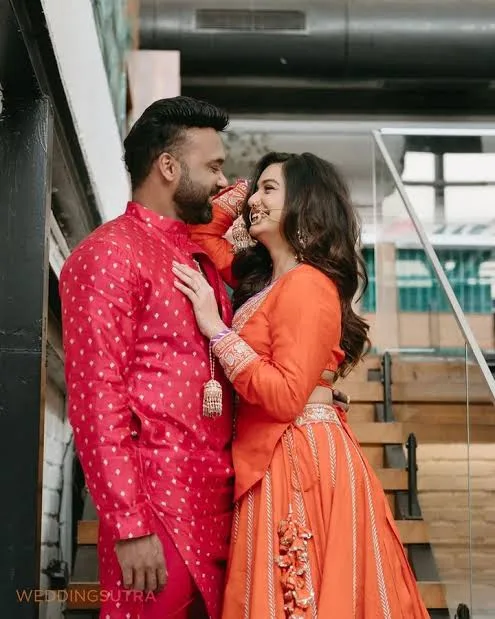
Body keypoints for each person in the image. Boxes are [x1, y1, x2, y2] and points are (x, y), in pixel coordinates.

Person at [173, 151, 431, 618]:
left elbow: (285, 396)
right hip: (273, 451)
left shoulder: (308, 284)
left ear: (304, 203)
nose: (256, 199)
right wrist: (245, 191)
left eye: (269, 189)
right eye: (258, 188)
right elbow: (200, 235)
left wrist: (217, 331)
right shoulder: (266, 281)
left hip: (296, 455)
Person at [59, 96, 236, 619]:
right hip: (158, 513)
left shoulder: (199, 259)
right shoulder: (108, 253)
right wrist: (128, 524)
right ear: (169, 167)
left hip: (221, 508)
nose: (223, 181)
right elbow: (96, 400)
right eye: (214, 167)